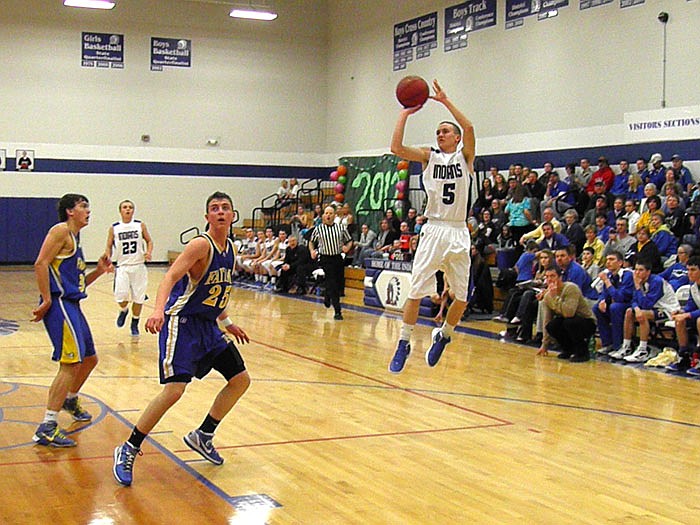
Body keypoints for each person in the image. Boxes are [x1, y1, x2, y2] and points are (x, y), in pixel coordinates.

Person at [113, 192, 250, 487]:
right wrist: (158, 310)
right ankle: (129, 447)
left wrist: (227, 322)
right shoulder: (201, 245)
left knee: (240, 379)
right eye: (214, 209)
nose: (221, 212)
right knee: (175, 391)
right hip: (182, 324)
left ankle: (204, 434)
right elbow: (170, 277)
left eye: (225, 208)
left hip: (208, 326)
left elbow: (216, 292)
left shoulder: (231, 248)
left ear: (233, 215)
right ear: (207, 217)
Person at [388, 79, 479, 372]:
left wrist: (445, 101)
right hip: (434, 228)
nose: (440, 134)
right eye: (438, 131)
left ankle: (444, 334)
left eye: (445, 131)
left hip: (458, 230)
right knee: (415, 291)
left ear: (455, 137)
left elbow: (470, 129)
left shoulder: (466, 157)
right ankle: (404, 341)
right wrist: (405, 112)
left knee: (462, 298)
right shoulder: (429, 156)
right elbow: (396, 147)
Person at [32, 194, 113, 447]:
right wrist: (46, 299)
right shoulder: (61, 231)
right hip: (59, 305)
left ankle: (70, 399)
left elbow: (77, 284)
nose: (88, 210)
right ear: (70, 211)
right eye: (83, 206)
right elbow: (40, 263)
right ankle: (47, 425)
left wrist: (99, 271)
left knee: (89, 359)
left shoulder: (76, 240)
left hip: (72, 304)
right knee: (70, 363)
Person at [609, 260, 680, 363]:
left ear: (648, 272)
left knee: (642, 314)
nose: (637, 273)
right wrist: (636, 309)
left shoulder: (656, 281)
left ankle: (643, 350)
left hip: (668, 310)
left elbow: (647, 304)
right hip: (651, 309)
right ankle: (626, 346)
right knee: (629, 311)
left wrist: (637, 287)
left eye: (641, 270)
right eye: (636, 270)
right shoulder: (638, 280)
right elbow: (634, 300)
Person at [105, 199, 154, 338]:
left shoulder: (140, 225)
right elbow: (108, 246)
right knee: (121, 297)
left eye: (130, 207)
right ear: (120, 211)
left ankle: (135, 322)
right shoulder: (114, 228)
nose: (128, 209)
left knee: (139, 299)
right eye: (125, 207)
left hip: (139, 266)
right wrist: (108, 259)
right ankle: (124, 310)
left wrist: (148, 252)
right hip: (122, 267)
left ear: (133, 210)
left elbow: (149, 241)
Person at [536, 266, 597, 362]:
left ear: (560, 277)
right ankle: (568, 349)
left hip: (586, 322)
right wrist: (544, 345)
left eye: (552, 276)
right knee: (552, 326)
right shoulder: (547, 296)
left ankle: (582, 353)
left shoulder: (571, 288)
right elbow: (547, 319)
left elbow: (569, 313)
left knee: (569, 322)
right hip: (568, 321)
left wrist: (555, 297)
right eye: (547, 277)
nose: (549, 279)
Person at [309, 205, 353, 320]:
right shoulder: (318, 229)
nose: (328, 215)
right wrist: (312, 251)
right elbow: (311, 242)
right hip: (325, 258)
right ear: (323, 215)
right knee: (332, 282)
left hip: (337, 257)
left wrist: (347, 248)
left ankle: (327, 295)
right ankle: (337, 311)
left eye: (330, 213)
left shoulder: (341, 228)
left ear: (334, 215)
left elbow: (349, 241)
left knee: (337, 283)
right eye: (326, 213)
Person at [593, 251, 634, 355]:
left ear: (620, 263)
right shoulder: (610, 275)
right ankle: (607, 343)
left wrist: (607, 281)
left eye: (611, 259)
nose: (608, 262)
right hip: (616, 304)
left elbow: (620, 297)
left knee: (615, 307)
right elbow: (604, 292)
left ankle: (618, 345)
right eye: (607, 260)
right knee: (597, 307)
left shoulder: (628, 275)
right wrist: (602, 300)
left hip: (630, 304)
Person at [670, 256, 700, 374]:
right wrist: (682, 312)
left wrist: (688, 315)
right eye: (688, 270)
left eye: (693, 270)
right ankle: (684, 356)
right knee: (679, 320)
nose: (689, 273)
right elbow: (691, 305)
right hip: (696, 315)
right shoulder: (693, 287)